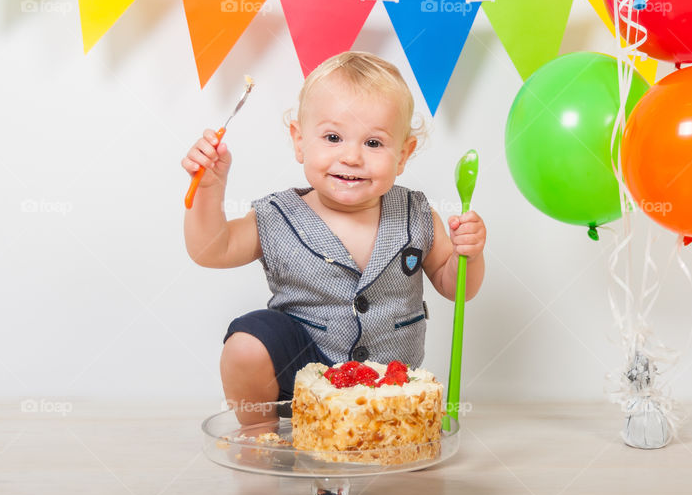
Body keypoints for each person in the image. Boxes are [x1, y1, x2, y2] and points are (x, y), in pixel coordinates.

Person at [182, 51, 487, 424]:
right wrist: (210, 189)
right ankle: (260, 433)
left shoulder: (417, 213)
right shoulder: (277, 216)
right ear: (299, 141)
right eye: (332, 137)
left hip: (388, 383)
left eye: (373, 143)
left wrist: (466, 254)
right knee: (247, 341)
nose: (351, 156)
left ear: (403, 155)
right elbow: (211, 250)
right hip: (303, 379)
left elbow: (458, 289)